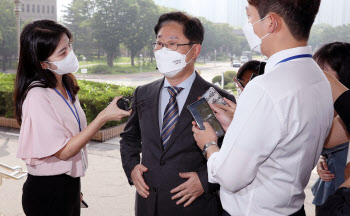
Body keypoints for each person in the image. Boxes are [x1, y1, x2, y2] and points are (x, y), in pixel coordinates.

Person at [192, 0, 334, 215]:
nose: (248, 24)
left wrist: (209, 145)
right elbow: (285, 140)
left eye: (249, 16)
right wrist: (238, 128)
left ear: (270, 22)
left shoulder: (265, 88)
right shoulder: (318, 77)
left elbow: (231, 177)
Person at [120, 12, 235, 216]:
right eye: (159, 43)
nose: (163, 50)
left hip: (195, 206)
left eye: (172, 44)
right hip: (148, 204)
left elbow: (233, 153)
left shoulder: (218, 99)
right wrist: (131, 167)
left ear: (194, 50)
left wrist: (205, 180)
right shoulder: (143, 93)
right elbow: (129, 138)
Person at [15, 20, 130, 216]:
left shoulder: (65, 84)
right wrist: (103, 117)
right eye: (62, 52)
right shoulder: (37, 97)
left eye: (69, 46)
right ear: (43, 63)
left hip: (67, 184)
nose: (70, 54)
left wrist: (72, 187)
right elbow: (64, 151)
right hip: (47, 192)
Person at [311, 42, 350, 214]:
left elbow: (320, 138)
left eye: (324, 72)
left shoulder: (345, 115)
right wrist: (323, 159)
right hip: (328, 191)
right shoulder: (332, 110)